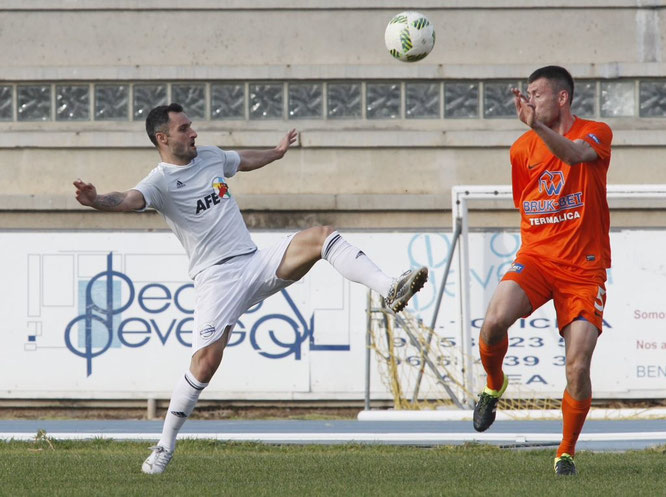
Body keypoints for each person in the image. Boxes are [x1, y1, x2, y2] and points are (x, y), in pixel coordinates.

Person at [72, 103, 428, 474]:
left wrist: (275, 153)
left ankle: (389, 287)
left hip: (253, 258)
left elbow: (242, 160)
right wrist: (96, 200)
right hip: (215, 279)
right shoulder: (159, 182)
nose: (194, 133)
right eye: (184, 129)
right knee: (206, 364)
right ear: (162, 138)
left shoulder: (209, 156)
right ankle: (164, 445)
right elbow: (127, 199)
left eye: (191, 126)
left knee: (322, 237)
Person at [471, 66, 612, 476]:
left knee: (577, 366)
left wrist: (537, 129)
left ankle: (565, 452)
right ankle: (494, 385)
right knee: (494, 322)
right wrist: (532, 131)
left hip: (585, 269)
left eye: (537, 93)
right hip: (536, 257)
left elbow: (574, 155)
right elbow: (526, 199)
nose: (530, 101)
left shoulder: (596, 131)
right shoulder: (520, 150)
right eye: (527, 95)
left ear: (562, 98)